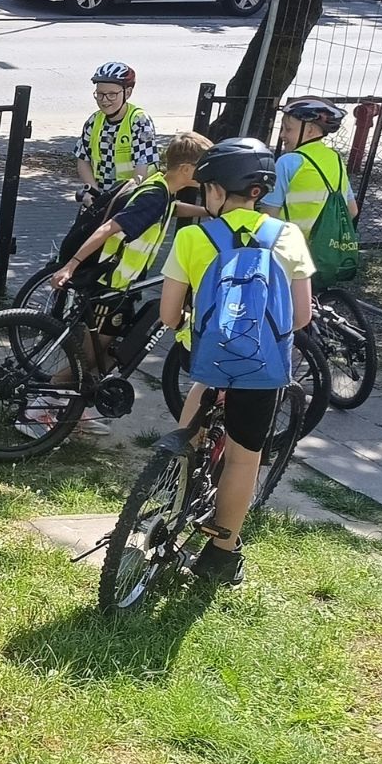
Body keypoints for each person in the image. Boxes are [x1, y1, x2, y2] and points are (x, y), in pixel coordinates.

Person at [158, 138, 314, 585]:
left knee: (190, 430)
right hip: (262, 369)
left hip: (206, 359)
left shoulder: (192, 237)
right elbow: (301, 316)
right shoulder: (288, 237)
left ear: (219, 192)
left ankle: (171, 490)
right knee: (245, 460)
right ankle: (221, 554)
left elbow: (169, 315)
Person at [46, 131, 213, 433]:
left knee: (109, 354)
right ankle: (47, 405)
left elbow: (172, 210)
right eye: (204, 168)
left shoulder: (161, 190)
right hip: (110, 287)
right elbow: (109, 228)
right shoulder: (154, 196)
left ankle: (73, 407)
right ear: (187, 170)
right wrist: (71, 265)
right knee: (89, 357)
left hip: (122, 288)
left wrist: (206, 211)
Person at [263, 97, 359, 239]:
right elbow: (352, 210)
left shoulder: (288, 162)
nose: (282, 134)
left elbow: (269, 215)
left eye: (288, 129)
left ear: (310, 130)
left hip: (289, 250)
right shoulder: (336, 159)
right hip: (324, 252)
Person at [74, 62, 157, 194]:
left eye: (112, 94)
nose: (104, 100)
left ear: (127, 93)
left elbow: (143, 165)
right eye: (100, 94)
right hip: (102, 195)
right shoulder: (94, 121)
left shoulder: (139, 121)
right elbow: (83, 160)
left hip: (135, 196)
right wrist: (92, 192)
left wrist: (123, 197)